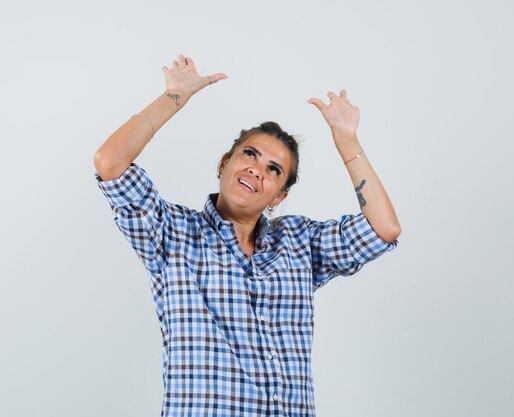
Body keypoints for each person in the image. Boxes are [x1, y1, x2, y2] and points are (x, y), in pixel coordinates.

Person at [93, 54, 401, 417]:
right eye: (249, 155)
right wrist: (176, 96)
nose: (257, 170)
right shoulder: (172, 234)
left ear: (279, 196)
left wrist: (347, 139)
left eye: (273, 170)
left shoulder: (300, 243)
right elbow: (110, 163)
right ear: (225, 163)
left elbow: (383, 228)